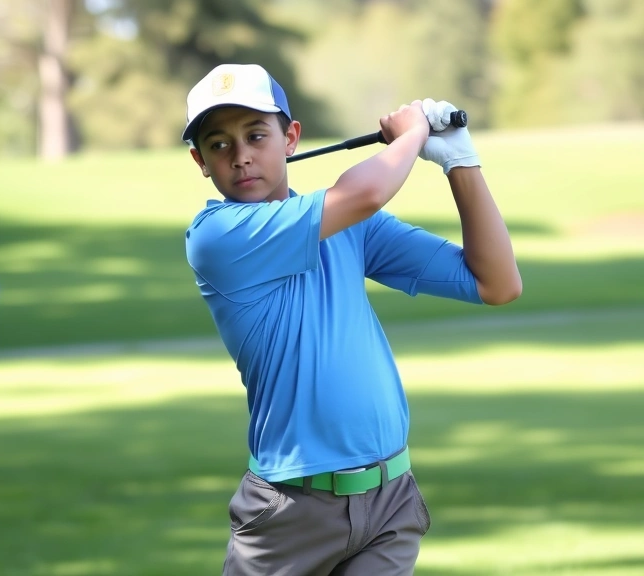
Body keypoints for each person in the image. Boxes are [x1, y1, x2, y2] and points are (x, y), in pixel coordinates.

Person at [181, 64, 522, 575]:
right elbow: (364, 193)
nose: (241, 155)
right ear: (201, 161)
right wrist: (412, 135)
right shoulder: (215, 236)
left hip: (389, 502)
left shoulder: (352, 229)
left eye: (256, 135)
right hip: (288, 511)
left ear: (290, 138)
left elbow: (496, 283)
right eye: (219, 144)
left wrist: (461, 162)